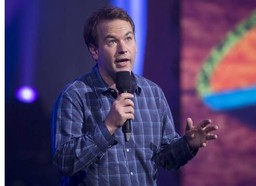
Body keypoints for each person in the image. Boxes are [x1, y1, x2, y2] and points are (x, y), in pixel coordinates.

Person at [51, 5, 218, 186]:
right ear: (94, 51)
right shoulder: (74, 96)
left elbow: (165, 160)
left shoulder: (153, 94)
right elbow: (64, 163)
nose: (123, 49)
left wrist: (187, 144)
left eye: (128, 39)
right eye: (112, 41)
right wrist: (108, 126)